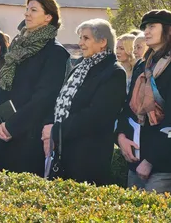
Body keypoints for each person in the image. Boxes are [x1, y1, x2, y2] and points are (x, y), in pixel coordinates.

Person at [116, 9, 171, 193]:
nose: (146, 32)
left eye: (152, 26)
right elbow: (128, 107)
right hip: (136, 156)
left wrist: (150, 160)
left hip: (164, 163)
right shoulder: (142, 66)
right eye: (145, 27)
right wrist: (121, 137)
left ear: (169, 31)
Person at [0, 0, 70, 177]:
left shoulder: (55, 52)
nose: (27, 14)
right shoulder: (18, 47)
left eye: (34, 10)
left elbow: (45, 97)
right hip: (4, 130)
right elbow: (4, 85)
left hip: (28, 134)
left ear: (48, 17)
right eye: (27, 9)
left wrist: (13, 126)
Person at [43, 19, 127, 185]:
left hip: (89, 156)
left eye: (86, 38)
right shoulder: (81, 67)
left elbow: (97, 116)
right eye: (80, 38)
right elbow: (62, 101)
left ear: (103, 42)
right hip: (66, 150)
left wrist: (57, 130)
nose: (80, 43)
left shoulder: (114, 72)